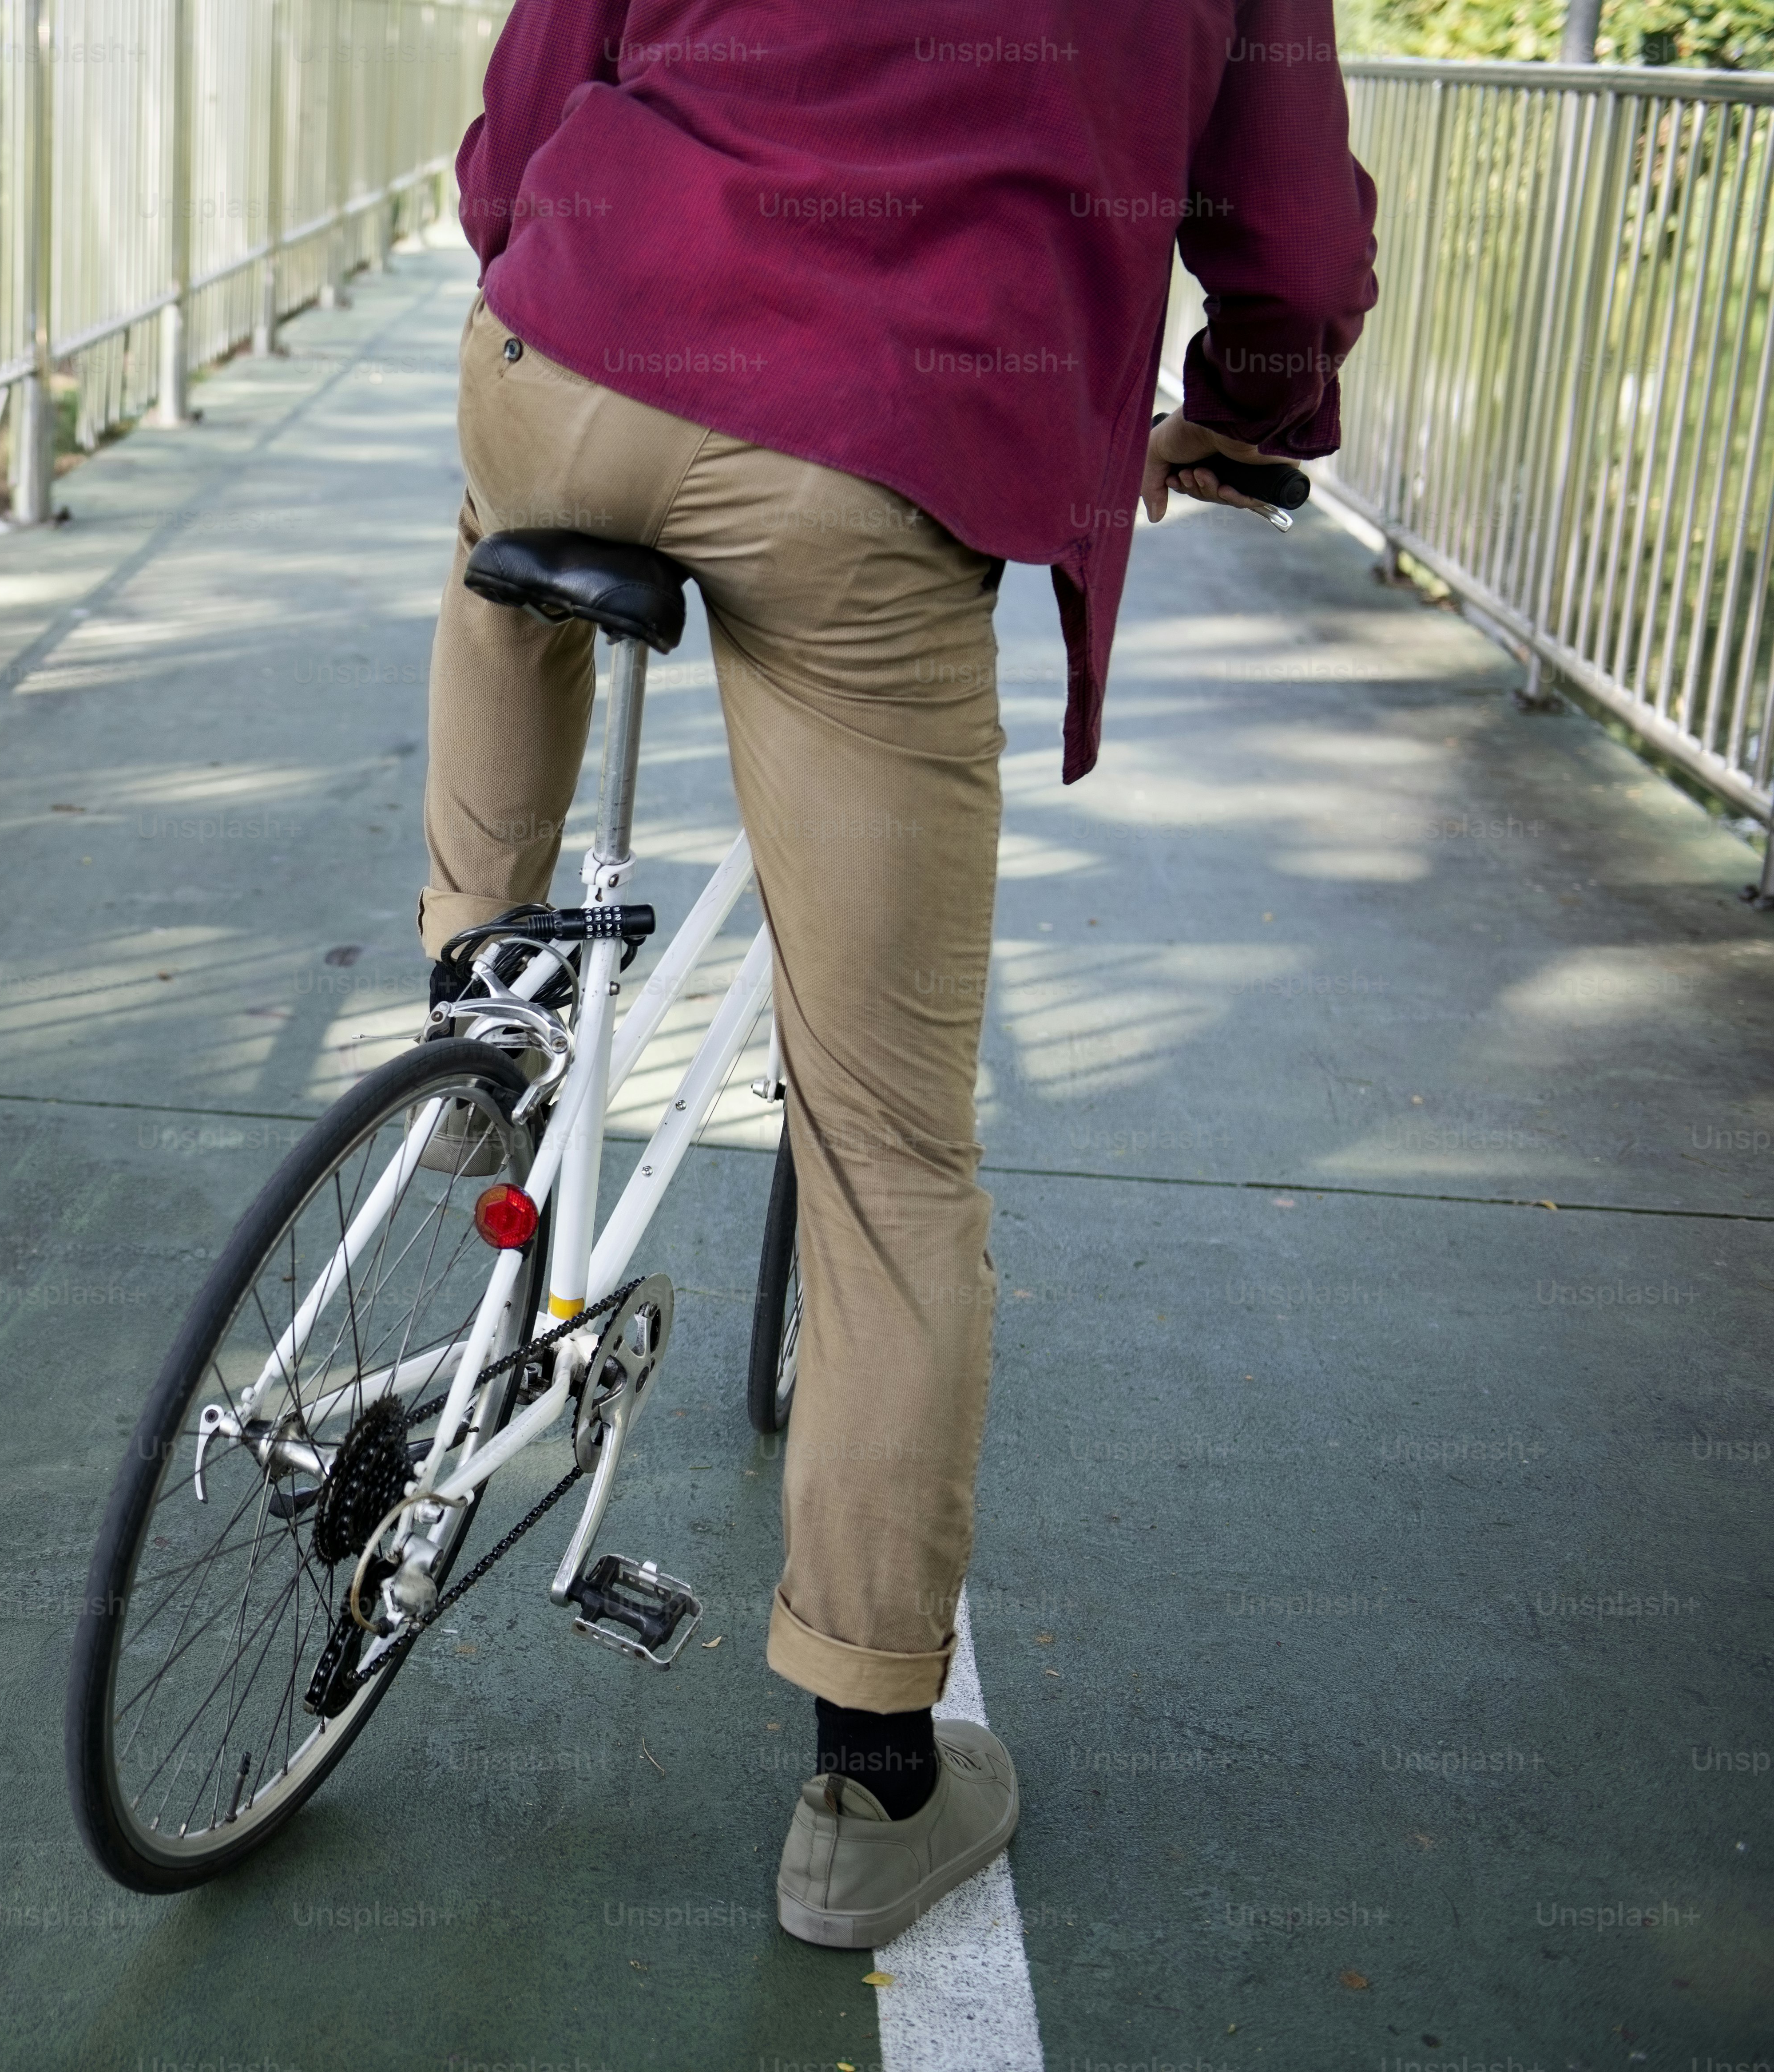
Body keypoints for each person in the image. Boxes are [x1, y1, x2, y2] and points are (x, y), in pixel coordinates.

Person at [428, 0, 1377, 1947]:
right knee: (883, 1155)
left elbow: (533, 93)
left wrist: (548, 248)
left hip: (573, 339)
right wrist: (1254, 419)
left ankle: (478, 1007)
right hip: (870, 446)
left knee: (499, 533)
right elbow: (1289, 241)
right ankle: (873, 1784)